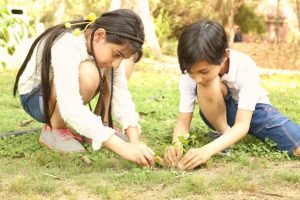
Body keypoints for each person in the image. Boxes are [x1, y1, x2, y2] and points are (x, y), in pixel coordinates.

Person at [13, 9, 155, 167]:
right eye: (116, 54)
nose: (116, 62)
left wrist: (134, 142)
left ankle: (99, 126)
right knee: (88, 73)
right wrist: (122, 148)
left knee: (112, 72)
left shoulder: (103, 47)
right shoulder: (68, 43)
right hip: (36, 98)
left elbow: (120, 94)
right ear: (100, 35)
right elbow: (70, 106)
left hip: (57, 95)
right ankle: (55, 130)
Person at [164, 20, 300, 170]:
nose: (196, 78)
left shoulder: (245, 66)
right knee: (207, 83)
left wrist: (206, 151)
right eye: (190, 72)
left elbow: (242, 124)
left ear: (225, 55)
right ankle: (225, 135)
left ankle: (225, 139)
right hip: (217, 112)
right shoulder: (192, 72)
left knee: (298, 146)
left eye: (204, 71)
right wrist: (176, 145)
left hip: (255, 111)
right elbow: (183, 123)